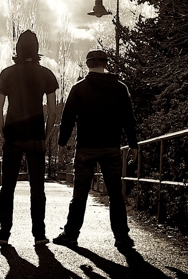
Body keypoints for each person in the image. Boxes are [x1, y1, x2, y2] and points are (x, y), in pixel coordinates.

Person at [53, 49, 138, 249]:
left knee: (80, 194)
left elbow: (67, 119)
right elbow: (129, 119)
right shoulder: (120, 88)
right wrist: (133, 144)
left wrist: (62, 145)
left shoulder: (79, 88)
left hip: (85, 148)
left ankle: (71, 234)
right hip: (111, 148)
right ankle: (121, 237)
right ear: (105, 63)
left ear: (88, 64)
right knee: (116, 194)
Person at [0, 30, 58, 246]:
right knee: (37, 186)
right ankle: (39, 234)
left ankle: (4, 233)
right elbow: (52, 110)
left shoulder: (7, 73)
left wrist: (3, 133)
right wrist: (46, 134)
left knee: (8, 186)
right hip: (35, 136)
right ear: (37, 48)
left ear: (18, 49)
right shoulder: (46, 74)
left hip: (12, 135)